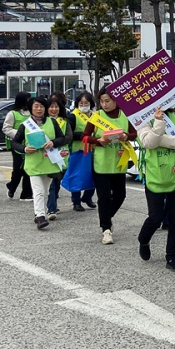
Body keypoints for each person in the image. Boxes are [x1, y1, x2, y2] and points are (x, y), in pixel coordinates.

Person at [138, 104, 175, 272]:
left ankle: (172, 257)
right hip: (155, 177)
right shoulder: (144, 119)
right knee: (156, 217)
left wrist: (159, 138)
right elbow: (148, 142)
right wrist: (159, 123)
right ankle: (144, 239)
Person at [81, 88, 137, 244]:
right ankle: (106, 229)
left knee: (120, 195)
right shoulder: (97, 116)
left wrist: (126, 136)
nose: (104, 104)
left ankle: (106, 217)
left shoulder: (125, 115)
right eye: (101, 101)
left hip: (119, 163)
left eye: (107, 101)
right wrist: (98, 141)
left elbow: (134, 134)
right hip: (101, 164)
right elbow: (85, 136)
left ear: (115, 101)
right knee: (104, 197)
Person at [14, 96, 67, 229]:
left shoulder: (52, 122)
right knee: (38, 191)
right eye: (36, 106)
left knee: (46, 191)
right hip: (34, 163)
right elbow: (15, 142)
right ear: (31, 108)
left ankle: (39, 213)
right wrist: (24, 149)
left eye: (42, 106)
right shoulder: (25, 125)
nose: (39, 109)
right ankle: (40, 217)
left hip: (49, 162)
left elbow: (62, 138)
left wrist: (53, 143)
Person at [68, 92, 97, 212]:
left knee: (94, 175)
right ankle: (76, 201)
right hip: (78, 150)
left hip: (93, 149)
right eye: (81, 103)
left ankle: (87, 197)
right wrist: (84, 135)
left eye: (86, 103)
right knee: (77, 176)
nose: (84, 105)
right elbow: (69, 134)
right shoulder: (73, 116)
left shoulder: (95, 116)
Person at [45, 97, 73, 220]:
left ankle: (52, 205)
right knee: (52, 182)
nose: (54, 109)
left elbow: (69, 137)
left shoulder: (64, 121)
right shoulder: (43, 121)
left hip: (62, 154)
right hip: (47, 155)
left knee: (56, 182)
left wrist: (55, 142)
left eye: (56, 107)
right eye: (51, 106)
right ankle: (51, 208)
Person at [3, 91, 34, 200]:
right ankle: (12, 187)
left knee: (29, 168)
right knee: (18, 169)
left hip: (30, 144)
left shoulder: (32, 113)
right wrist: (20, 134)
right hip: (18, 145)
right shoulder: (13, 113)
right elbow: (6, 128)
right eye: (28, 99)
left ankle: (26, 193)